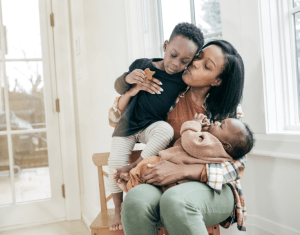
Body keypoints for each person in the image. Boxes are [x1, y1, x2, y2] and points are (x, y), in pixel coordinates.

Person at [114, 40, 247, 234]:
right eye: (199, 56)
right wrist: (133, 90)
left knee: (176, 200)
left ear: (216, 80)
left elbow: (239, 166)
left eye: (206, 66)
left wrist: (183, 172)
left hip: (214, 189)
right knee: (135, 200)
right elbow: (116, 118)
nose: (195, 63)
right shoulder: (170, 93)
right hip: (164, 182)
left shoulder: (227, 111)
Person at [108, 22, 204, 231]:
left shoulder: (182, 80)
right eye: (173, 54)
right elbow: (118, 85)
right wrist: (129, 78)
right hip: (127, 125)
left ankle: (135, 167)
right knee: (114, 162)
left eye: (184, 61)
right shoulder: (143, 64)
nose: (175, 64)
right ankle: (117, 209)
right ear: (165, 45)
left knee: (166, 131)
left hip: (151, 126)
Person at [116, 114, 254, 193]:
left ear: (226, 145)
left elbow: (190, 143)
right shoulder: (219, 151)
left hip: (173, 165)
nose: (216, 122)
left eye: (221, 125)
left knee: (146, 166)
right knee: (148, 175)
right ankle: (131, 183)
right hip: (181, 178)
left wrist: (194, 125)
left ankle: (129, 185)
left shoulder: (213, 144)